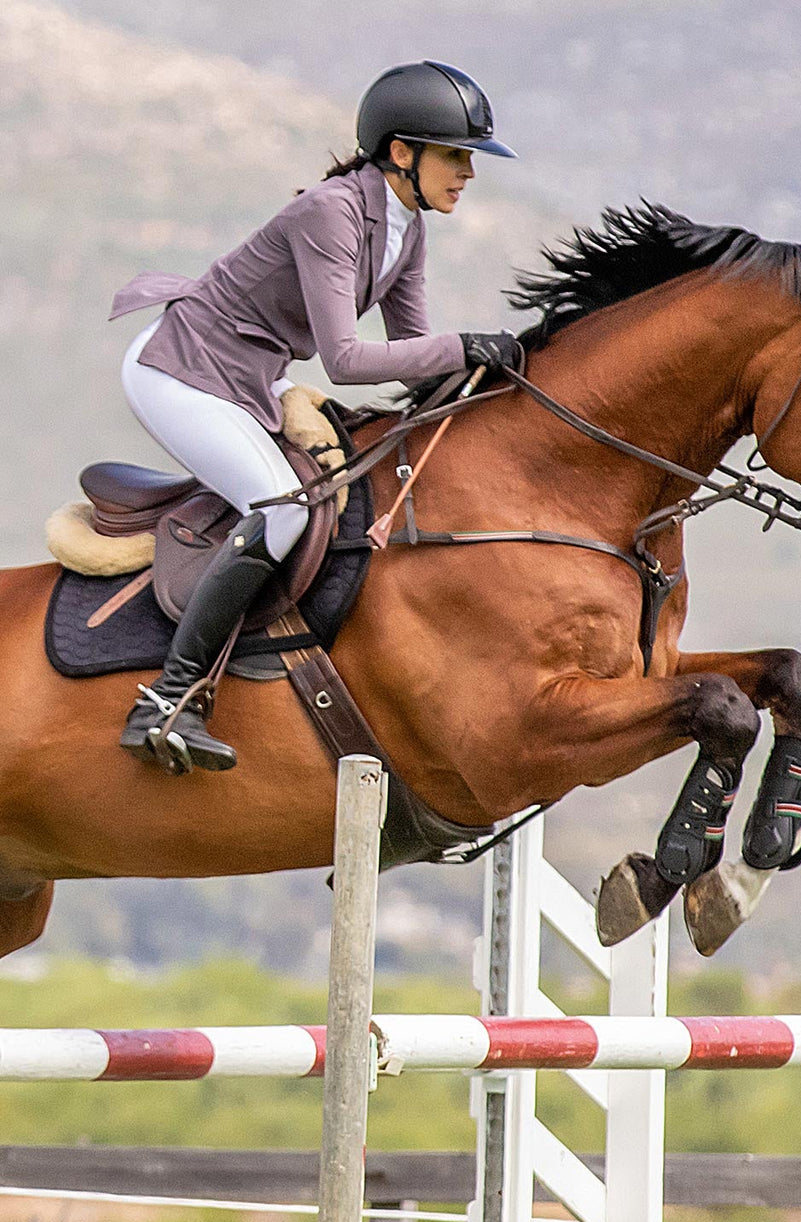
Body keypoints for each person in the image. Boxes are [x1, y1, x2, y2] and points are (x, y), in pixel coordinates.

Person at [109, 60, 518, 774]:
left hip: (240, 379)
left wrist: (496, 370)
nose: (469, 172)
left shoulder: (406, 228)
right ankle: (167, 699)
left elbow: (412, 353)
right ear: (402, 153)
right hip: (177, 371)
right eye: (456, 154)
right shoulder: (332, 213)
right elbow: (347, 358)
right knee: (284, 509)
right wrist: (464, 344)